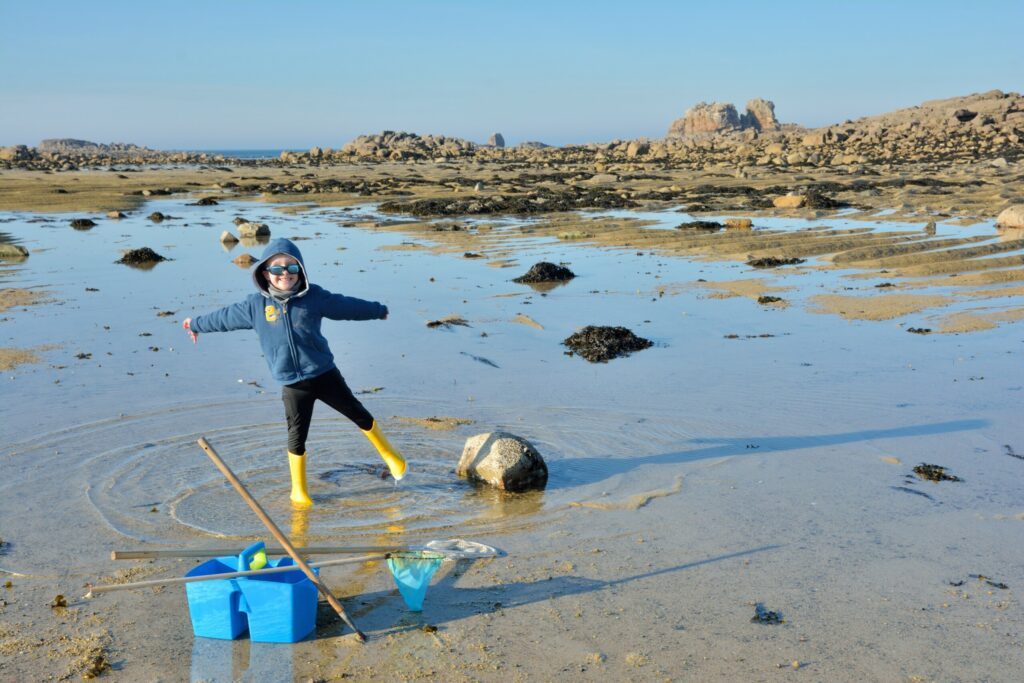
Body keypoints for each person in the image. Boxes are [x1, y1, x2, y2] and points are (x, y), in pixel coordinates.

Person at [182, 237, 406, 509]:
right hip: (292, 384)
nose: (284, 273)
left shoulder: (314, 298)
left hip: (324, 373)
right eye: (277, 269)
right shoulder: (255, 307)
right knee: (296, 436)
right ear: (265, 274)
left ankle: (393, 457)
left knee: (358, 413)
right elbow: (223, 318)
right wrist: (195, 323)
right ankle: (298, 491)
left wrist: (378, 310)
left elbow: (346, 306)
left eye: (292, 268)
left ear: (301, 271)